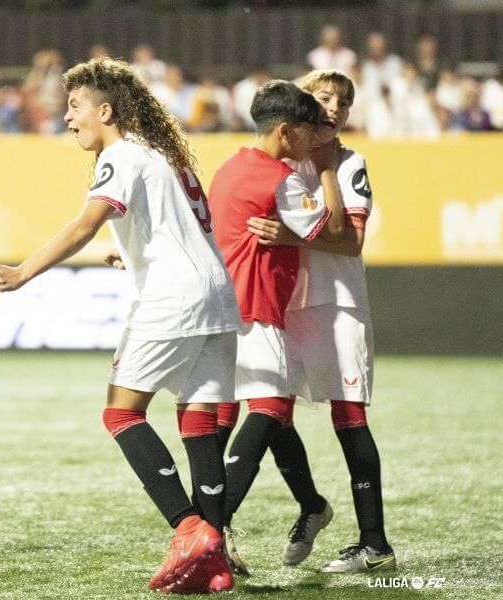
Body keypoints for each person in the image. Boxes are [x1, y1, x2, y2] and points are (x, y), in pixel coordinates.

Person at [0, 57, 241, 594]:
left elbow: (85, 224)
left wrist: (22, 271)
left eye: (75, 107)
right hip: (215, 295)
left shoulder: (121, 154)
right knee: (199, 419)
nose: (68, 118)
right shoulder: (164, 156)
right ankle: (214, 561)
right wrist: (134, 256)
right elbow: (184, 229)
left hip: (172, 298)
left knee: (121, 413)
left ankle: (188, 528)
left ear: (106, 110)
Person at [246, 70, 396, 574]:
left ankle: (374, 543)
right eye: (324, 97)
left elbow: (350, 242)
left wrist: (291, 233)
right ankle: (311, 505)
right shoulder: (280, 159)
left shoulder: (350, 162)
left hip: (338, 304)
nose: (334, 107)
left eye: (344, 102)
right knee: (272, 413)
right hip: (286, 303)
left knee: (349, 416)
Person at [205, 80, 345, 575]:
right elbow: (333, 231)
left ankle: (311, 506)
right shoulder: (283, 181)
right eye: (308, 133)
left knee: (246, 420)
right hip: (257, 311)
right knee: (268, 412)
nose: (313, 141)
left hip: (222, 314)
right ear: (286, 132)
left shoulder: (228, 167)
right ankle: (211, 532)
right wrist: (327, 172)